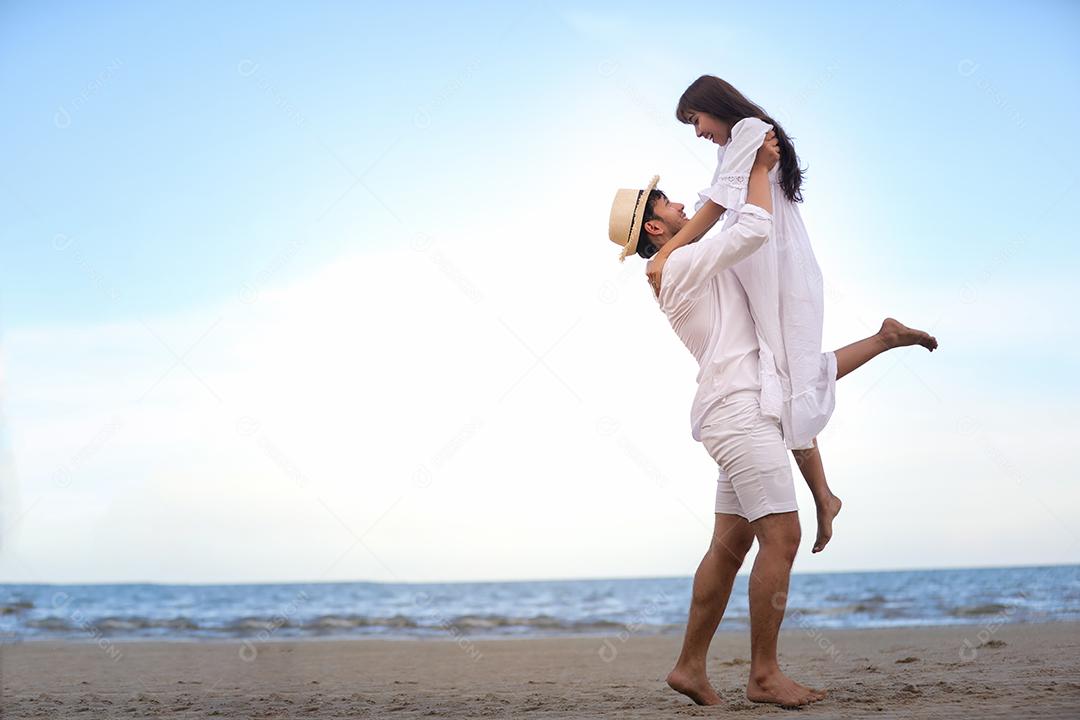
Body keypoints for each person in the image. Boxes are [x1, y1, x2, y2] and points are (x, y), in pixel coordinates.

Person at [606, 139, 937, 707]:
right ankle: (764, 674)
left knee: (729, 547)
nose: (679, 203)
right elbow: (754, 227)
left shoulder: (679, 260)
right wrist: (756, 166)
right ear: (654, 229)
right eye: (664, 202)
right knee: (782, 537)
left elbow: (725, 221)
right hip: (739, 413)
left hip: (737, 408)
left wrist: (736, 176)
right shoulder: (679, 264)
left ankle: (689, 667)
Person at [641, 75, 937, 552]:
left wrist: (664, 251)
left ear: (713, 106)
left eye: (696, 120)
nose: (697, 132)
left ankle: (824, 494)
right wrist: (668, 251)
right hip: (762, 258)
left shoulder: (749, 132)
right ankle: (826, 490)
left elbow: (718, 206)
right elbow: (716, 203)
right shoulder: (738, 144)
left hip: (770, 259)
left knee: (788, 375)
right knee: (784, 375)